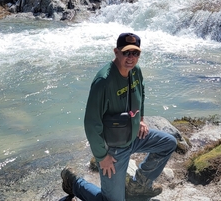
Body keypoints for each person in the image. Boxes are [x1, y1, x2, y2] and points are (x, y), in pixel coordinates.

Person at [61, 32, 177, 200]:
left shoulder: (135, 71)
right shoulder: (104, 81)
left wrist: (141, 120)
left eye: (135, 53)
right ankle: (74, 183)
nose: (131, 57)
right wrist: (102, 157)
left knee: (168, 143)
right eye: (126, 52)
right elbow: (91, 124)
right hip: (114, 149)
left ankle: (139, 185)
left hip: (134, 135)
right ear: (116, 52)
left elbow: (141, 93)